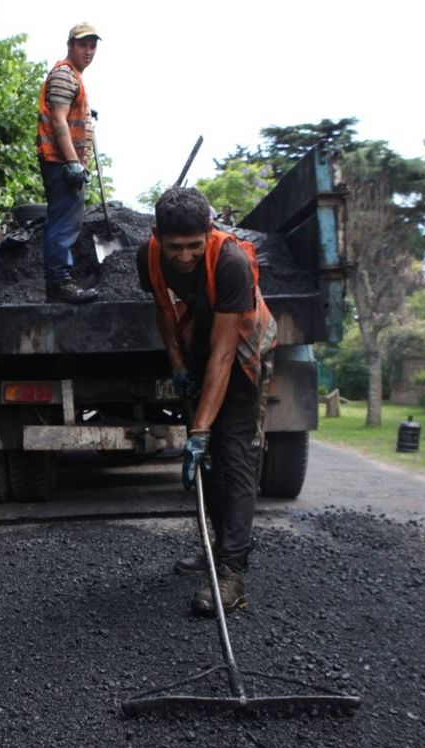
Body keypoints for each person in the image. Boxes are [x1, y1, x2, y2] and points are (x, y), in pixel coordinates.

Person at [139, 188, 277, 615]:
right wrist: (178, 365)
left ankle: (233, 573)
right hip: (200, 345)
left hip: (240, 352)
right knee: (209, 461)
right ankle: (218, 548)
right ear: (158, 235)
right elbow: (164, 311)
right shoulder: (148, 256)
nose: (184, 257)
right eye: (175, 247)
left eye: (194, 247)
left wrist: (199, 430)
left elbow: (223, 353)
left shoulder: (231, 262)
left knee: (232, 453)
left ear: (209, 233)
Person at [36, 22, 101, 304]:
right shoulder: (64, 73)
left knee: (66, 220)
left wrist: (86, 112)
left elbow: (65, 109)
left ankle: (60, 280)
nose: (88, 51)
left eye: (92, 45)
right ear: (70, 46)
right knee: (64, 223)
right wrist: (73, 162)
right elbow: (58, 118)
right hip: (62, 164)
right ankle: (60, 283)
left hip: (62, 163)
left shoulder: (72, 77)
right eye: (82, 45)